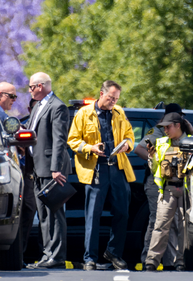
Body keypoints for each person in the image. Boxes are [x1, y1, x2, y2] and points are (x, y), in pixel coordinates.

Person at [67, 80, 135, 271]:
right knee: (93, 215)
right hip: (96, 169)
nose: (114, 101)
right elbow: (73, 140)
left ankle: (114, 253)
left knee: (122, 212)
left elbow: (130, 135)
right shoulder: (83, 114)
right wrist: (90, 148)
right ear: (101, 94)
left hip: (118, 168)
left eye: (116, 98)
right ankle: (90, 258)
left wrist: (128, 144)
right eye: (111, 97)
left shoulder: (119, 112)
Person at [135, 103, 193, 270]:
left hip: (185, 189)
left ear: (178, 125)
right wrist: (152, 158)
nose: (166, 130)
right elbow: (155, 169)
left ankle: (178, 261)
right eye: (165, 127)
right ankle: (151, 261)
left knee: (182, 226)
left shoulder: (191, 142)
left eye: (168, 127)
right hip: (166, 189)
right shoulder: (161, 142)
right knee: (159, 225)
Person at [26, 72, 71, 269]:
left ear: (40, 86)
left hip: (51, 169)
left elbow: (60, 139)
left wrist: (55, 168)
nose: (29, 90)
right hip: (37, 167)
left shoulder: (57, 106)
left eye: (30, 87)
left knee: (55, 213)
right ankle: (47, 254)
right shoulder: (38, 106)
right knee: (43, 215)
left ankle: (57, 256)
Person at [20, 98, 38, 266]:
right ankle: (19, 255)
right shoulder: (20, 125)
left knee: (29, 212)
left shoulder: (45, 123)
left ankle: (22, 254)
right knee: (23, 211)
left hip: (36, 174)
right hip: (22, 174)